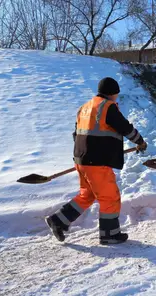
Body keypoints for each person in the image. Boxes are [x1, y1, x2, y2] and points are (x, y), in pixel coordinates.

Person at [45, 77, 147, 244]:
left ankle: (58, 220)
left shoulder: (84, 107)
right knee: (110, 197)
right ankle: (110, 234)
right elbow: (125, 127)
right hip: (96, 162)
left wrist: (85, 155)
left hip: (81, 159)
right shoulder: (107, 107)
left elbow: (76, 134)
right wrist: (140, 142)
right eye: (116, 94)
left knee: (88, 194)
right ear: (113, 93)